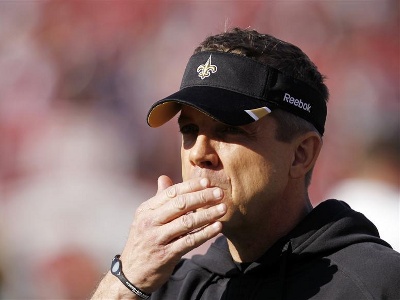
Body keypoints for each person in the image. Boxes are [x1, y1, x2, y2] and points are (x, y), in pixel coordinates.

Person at [91, 28, 400, 300]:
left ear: (301, 154)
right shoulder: (163, 287)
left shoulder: (375, 284)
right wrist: (123, 283)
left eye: (229, 128)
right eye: (189, 130)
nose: (199, 153)